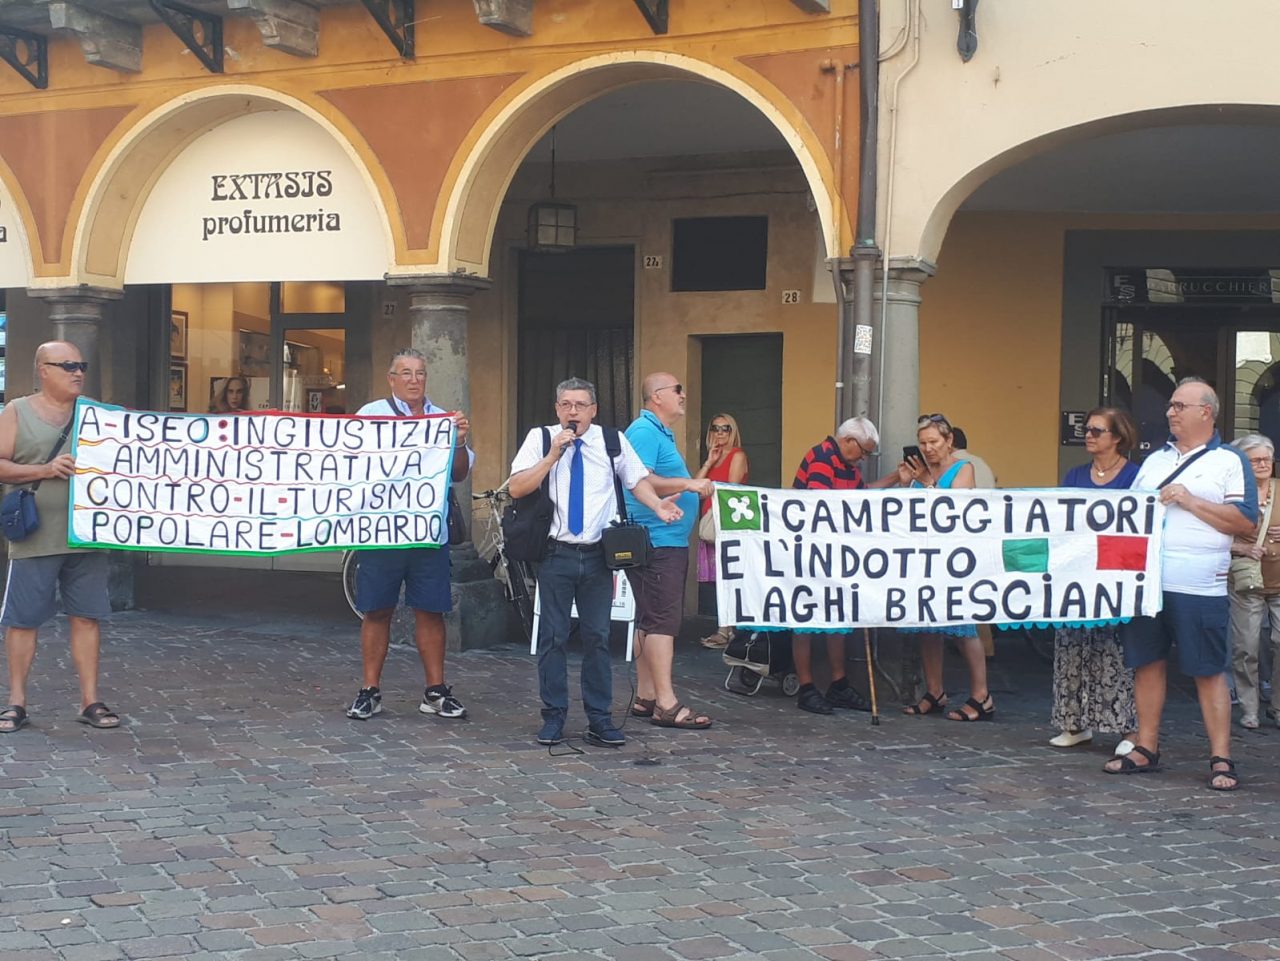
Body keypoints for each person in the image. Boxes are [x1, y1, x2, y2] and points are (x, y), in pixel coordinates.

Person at [508, 377, 682, 747]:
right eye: (566, 405)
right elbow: (517, 487)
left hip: (598, 555)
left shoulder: (611, 441)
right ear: (557, 409)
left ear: (593, 410)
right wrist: (552, 456)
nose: (573, 411)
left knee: (598, 638)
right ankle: (554, 716)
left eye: (580, 405)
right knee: (553, 638)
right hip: (555, 553)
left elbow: (636, 480)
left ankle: (600, 719)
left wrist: (657, 505)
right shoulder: (541, 439)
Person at [1104, 378, 1256, 791]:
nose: (1169, 412)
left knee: (1208, 670)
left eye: (1178, 406)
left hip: (1200, 585)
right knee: (1147, 663)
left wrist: (1191, 501)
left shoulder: (1229, 460)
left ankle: (1221, 757)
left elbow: (1245, 521)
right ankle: (1146, 746)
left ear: (1206, 411)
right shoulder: (1154, 460)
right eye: (1171, 405)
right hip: (1148, 584)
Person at [345, 348, 473, 722]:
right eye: (406, 373)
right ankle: (370, 690)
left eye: (420, 373)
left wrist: (459, 441)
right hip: (382, 532)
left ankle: (436, 690)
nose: (414, 380)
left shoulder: (442, 418)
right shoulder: (371, 415)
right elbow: (349, 463)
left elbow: (459, 473)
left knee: (431, 610)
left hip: (428, 533)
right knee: (376, 609)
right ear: (392, 378)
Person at [0, 341, 118, 733]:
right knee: (23, 619)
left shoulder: (98, 414)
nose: (77, 372)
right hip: (36, 534)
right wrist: (45, 469)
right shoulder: (16, 411)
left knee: (87, 616)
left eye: (81, 365)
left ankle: (90, 700)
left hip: (88, 533)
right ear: (43, 370)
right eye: (67, 365)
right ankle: (16, 702)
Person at [623, 374, 714, 730]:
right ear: (657, 396)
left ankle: (646, 696)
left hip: (663, 539)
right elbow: (639, 480)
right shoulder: (645, 431)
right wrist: (688, 483)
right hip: (657, 540)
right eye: (677, 390)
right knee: (662, 621)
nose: (683, 395)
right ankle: (666, 703)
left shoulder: (658, 432)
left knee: (650, 618)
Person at [1049, 407, 1140, 751]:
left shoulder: (1135, 477)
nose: (1088, 435)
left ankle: (1128, 730)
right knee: (1072, 646)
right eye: (1087, 429)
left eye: (1097, 430)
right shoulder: (1075, 475)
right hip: (1077, 574)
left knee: (1116, 652)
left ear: (1117, 437)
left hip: (1116, 576)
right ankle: (1074, 724)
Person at [894, 413, 993, 722]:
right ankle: (934, 691)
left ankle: (982, 695)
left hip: (954, 561)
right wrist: (905, 484)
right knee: (927, 629)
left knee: (964, 628)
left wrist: (926, 481)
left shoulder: (963, 469)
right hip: (924, 559)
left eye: (934, 442)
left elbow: (954, 510)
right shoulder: (920, 472)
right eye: (923, 443)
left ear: (949, 440)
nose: (928, 448)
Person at [788, 417, 887, 714]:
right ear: (848, 441)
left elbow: (861, 496)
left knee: (836, 616)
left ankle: (838, 683)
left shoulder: (847, 466)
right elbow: (822, 506)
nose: (864, 458)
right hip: (809, 550)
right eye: (864, 451)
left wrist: (897, 477)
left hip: (834, 551)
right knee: (804, 619)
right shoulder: (822, 458)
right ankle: (807, 688)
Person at [1227, 433, 1280, 731]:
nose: (1263, 464)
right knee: (1246, 647)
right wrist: (1241, 547)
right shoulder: (1232, 496)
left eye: (1267, 459)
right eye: (1255, 460)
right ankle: (1249, 707)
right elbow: (1213, 537)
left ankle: (1279, 706)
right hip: (1246, 582)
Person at [694, 413, 748, 650]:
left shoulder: (737, 455)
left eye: (726, 428)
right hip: (711, 523)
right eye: (715, 428)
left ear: (733, 431)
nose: (720, 433)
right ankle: (725, 628)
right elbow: (695, 488)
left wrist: (710, 488)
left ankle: (727, 630)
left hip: (727, 525)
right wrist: (709, 462)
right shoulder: (714, 458)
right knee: (719, 581)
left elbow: (730, 491)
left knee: (729, 578)